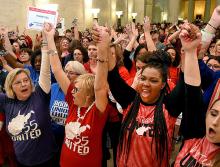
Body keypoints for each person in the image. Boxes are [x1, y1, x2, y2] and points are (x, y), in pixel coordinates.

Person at [92, 23, 188, 167]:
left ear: (163, 84)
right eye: (143, 78)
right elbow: (112, 75)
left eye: (153, 80)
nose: (146, 84)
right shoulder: (130, 100)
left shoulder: (169, 106)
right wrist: (105, 44)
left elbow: (186, 81)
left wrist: (189, 50)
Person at [45, 22, 111, 167]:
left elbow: (99, 87)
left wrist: (102, 49)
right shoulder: (73, 103)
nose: (71, 91)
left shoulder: (97, 111)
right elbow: (57, 69)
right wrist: (49, 39)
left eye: (76, 89)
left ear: (88, 94)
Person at [0, 23, 57, 167]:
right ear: (10, 87)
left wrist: (45, 40)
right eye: (18, 83)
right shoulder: (6, 101)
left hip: (47, 161)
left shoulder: (40, 94)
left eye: (26, 80)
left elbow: (45, 69)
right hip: (21, 162)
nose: (24, 84)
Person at [174, 23, 220, 167]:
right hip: (198, 134)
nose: (216, 121)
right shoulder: (217, 78)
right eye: (214, 113)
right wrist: (190, 50)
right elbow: (193, 87)